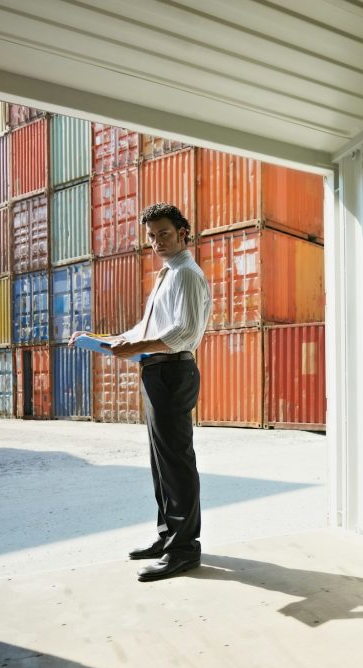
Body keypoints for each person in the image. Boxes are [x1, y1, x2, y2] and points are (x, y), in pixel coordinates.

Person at [71, 202, 211, 582]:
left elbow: (184, 333)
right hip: (156, 372)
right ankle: (168, 537)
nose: (156, 242)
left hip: (172, 372)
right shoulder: (167, 275)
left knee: (176, 462)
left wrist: (134, 347)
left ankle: (184, 550)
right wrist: (106, 340)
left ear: (183, 232)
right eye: (150, 236)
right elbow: (146, 327)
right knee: (161, 462)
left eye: (163, 233)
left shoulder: (186, 275)